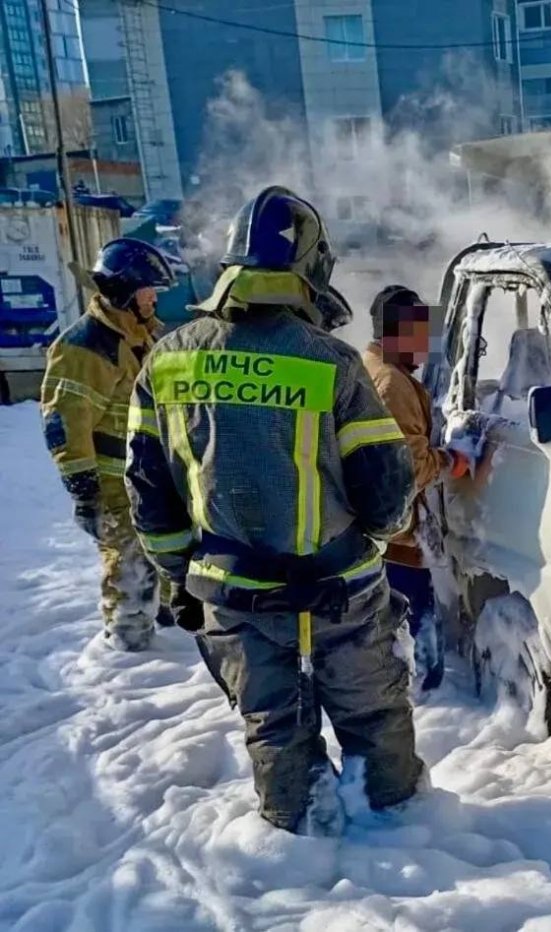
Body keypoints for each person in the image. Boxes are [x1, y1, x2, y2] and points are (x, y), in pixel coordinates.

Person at [124, 185, 423, 835]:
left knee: (276, 730)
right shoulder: (332, 361)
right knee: (375, 719)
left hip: (232, 597)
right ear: (309, 268)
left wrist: (185, 568)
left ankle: (304, 855)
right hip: (339, 592)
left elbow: (148, 492)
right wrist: (366, 543)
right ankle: (407, 846)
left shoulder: (168, 361)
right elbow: (387, 491)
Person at [41, 238, 176, 651]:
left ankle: (169, 628)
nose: (154, 296)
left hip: (153, 475)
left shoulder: (144, 336)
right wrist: (84, 491)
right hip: (115, 482)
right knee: (129, 565)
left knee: (165, 555)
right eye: (147, 288)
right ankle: (129, 643)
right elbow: (64, 423)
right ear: (123, 291)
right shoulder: (85, 346)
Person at [361, 285, 465, 690]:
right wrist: (451, 460)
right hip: (398, 536)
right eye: (420, 333)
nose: (427, 344)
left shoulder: (372, 367)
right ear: (397, 334)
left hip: (376, 532)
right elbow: (409, 468)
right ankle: (429, 695)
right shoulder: (394, 385)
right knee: (417, 620)